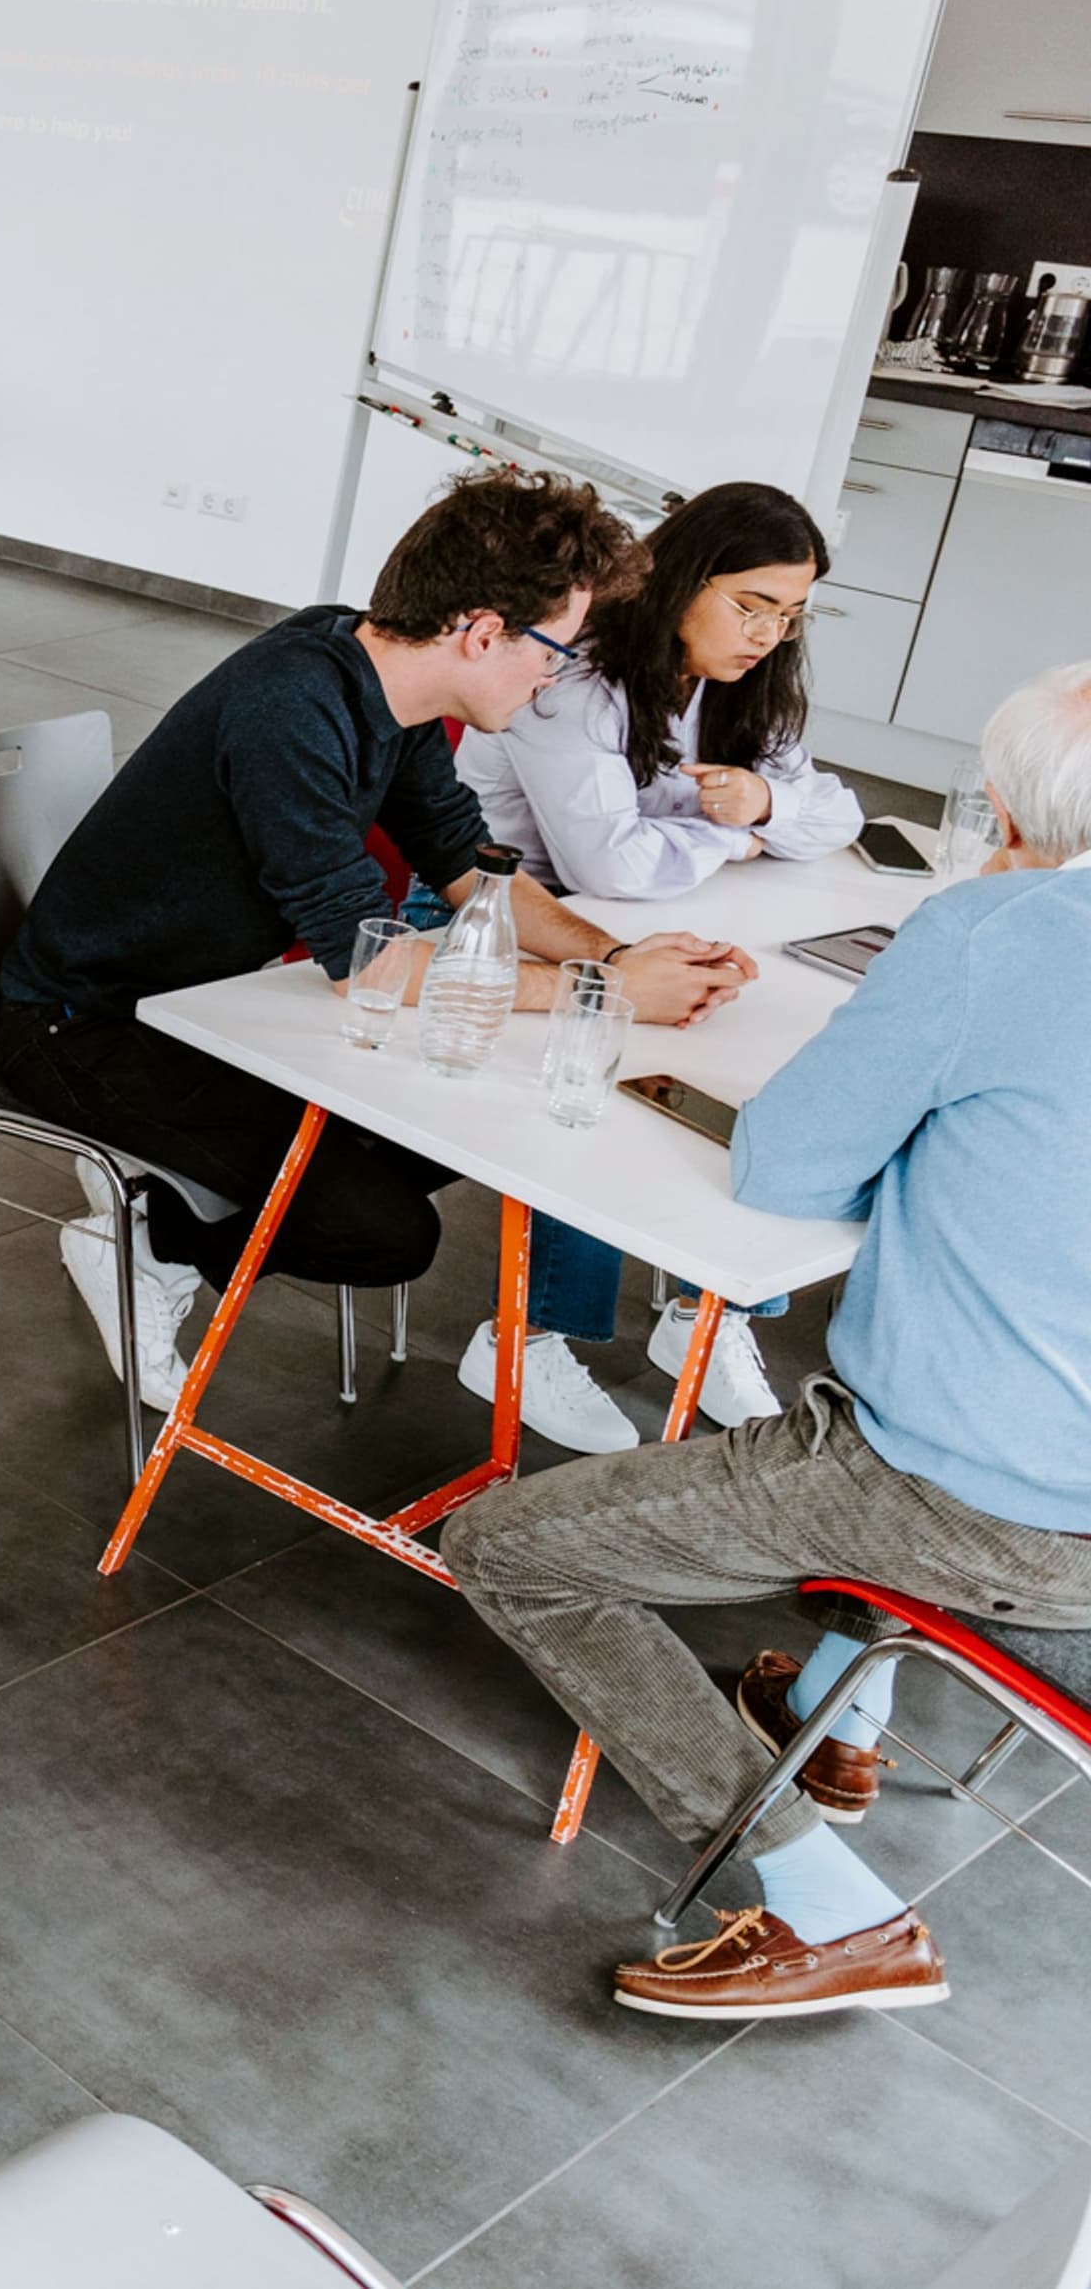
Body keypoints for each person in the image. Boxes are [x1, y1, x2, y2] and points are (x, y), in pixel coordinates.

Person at [443, 663, 1091, 2023]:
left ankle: (824, 1904)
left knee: (507, 1548)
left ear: (1018, 818)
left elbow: (789, 1166)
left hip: (987, 1505)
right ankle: (844, 1728)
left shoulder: (998, 928)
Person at [0, 464, 753, 1420]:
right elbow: (372, 965)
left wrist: (611, 963)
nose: (554, 676)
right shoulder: (291, 709)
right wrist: (599, 998)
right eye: (553, 652)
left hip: (213, 1008)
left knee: (477, 1118)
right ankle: (146, 1243)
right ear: (482, 632)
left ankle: (169, 1216)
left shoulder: (381, 680)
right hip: (86, 1024)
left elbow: (476, 876)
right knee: (383, 1235)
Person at [454, 481, 867, 1443]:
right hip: (510, 912)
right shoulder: (577, 682)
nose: (769, 635)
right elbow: (610, 866)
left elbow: (834, 814)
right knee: (604, 1058)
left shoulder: (744, 688)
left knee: (761, 1054)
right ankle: (525, 1335)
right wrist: (738, 834)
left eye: (792, 616)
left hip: (649, 912)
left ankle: (705, 1313)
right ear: (683, 581)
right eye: (750, 606)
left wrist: (764, 805)